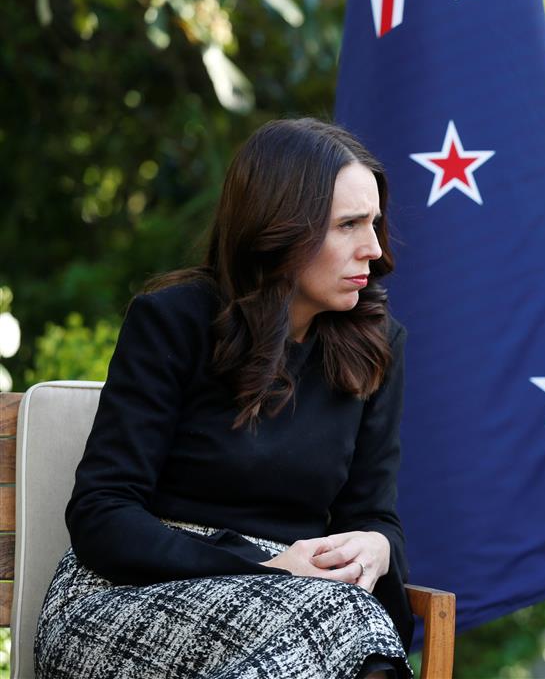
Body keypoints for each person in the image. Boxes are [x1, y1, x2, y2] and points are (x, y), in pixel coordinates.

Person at [35, 118, 415, 679]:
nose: (374, 249)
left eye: (375, 223)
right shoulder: (174, 321)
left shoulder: (376, 345)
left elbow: (372, 513)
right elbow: (102, 514)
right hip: (129, 597)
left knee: (343, 629)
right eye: (349, 225)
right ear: (281, 229)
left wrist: (378, 547)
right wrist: (263, 567)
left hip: (306, 611)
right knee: (353, 634)